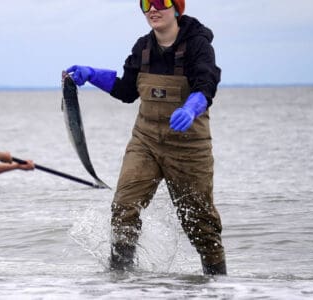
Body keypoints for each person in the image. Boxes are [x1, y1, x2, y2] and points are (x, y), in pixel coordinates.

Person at [65, 0, 226, 275]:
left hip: (189, 147)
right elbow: (127, 91)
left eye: (161, 2)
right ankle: (121, 278)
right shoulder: (143, 47)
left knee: (201, 223)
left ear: (177, 8)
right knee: (124, 207)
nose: (153, 8)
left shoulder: (198, 44)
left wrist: (191, 107)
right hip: (146, 141)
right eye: (145, 3)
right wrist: (91, 75)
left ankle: (218, 284)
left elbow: (206, 84)